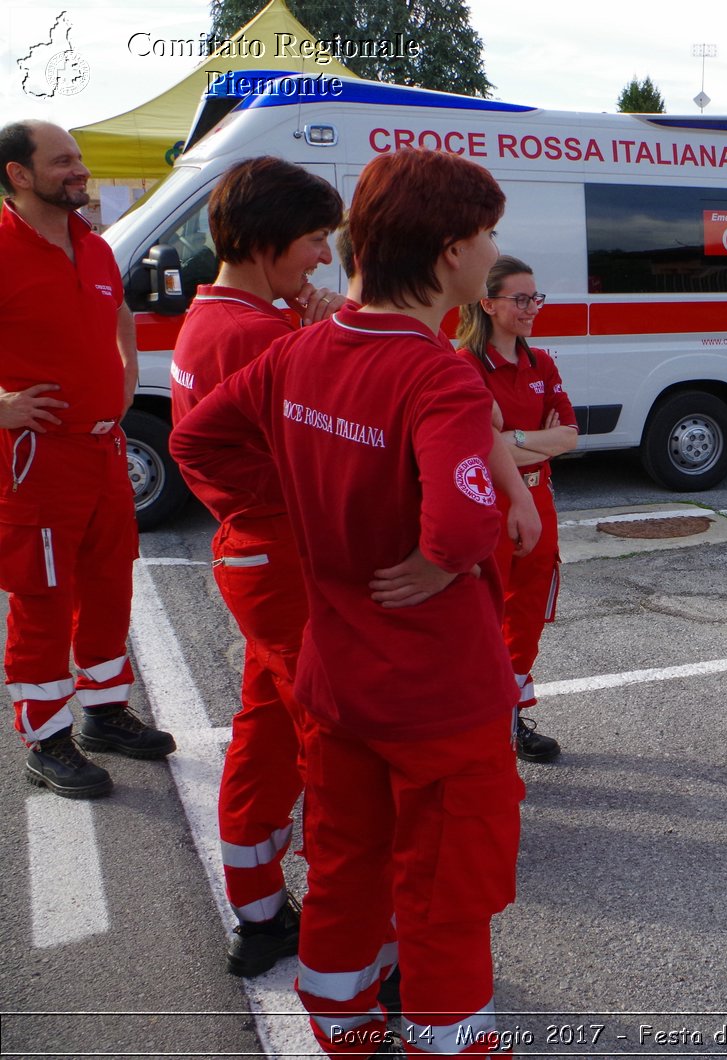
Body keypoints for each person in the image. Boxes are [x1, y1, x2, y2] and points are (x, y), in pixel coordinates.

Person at [171, 149, 524, 1056]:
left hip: (339, 677)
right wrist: (444, 559)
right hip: (436, 691)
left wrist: (300, 505)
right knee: (449, 886)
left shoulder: (301, 346)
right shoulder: (436, 372)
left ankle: (343, 1030)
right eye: (487, 236)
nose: (494, 251)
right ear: (450, 253)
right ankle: (451, 1042)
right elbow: (461, 523)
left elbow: (199, 442)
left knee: (345, 863)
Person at [168, 156, 345, 977]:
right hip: (287, 561)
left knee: (266, 732)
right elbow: (330, 449)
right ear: (271, 239)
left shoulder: (217, 319)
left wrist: (303, 331)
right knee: (331, 744)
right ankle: (352, 949)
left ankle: (261, 912)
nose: (322, 258)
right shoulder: (253, 334)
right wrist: (323, 338)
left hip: (255, 558)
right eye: (314, 241)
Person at [0, 120, 173, 799]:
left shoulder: (93, 247)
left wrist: (126, 379)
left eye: (78, 158)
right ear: (19, 173)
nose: (80, 169)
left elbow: (122, 315)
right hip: (37, 459)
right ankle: (45, 740)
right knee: (45, 598)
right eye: (63, 160)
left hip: (103, 450)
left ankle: (102, 713)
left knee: (108, 586)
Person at [457, 256, 578, 763]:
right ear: (488, 304)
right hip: (490, 505)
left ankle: (510, 721)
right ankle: (476, 729)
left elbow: (569, 436)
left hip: (538, 503)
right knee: (482, 618)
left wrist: (515, 438)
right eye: (521, 299)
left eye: (536, 298)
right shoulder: (463, 364)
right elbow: (475, 444)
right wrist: (530, 442)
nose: (533, 308)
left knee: (525, 617)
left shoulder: (540, 363)